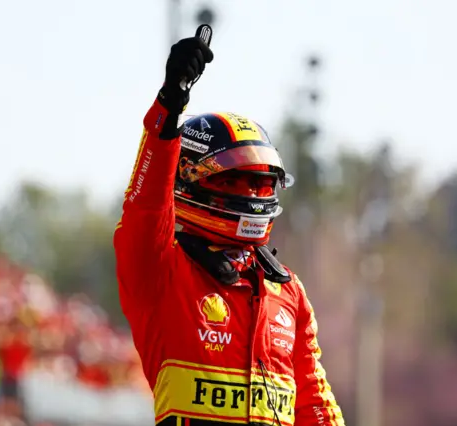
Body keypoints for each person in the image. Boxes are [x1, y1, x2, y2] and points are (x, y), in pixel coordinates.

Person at [114, 25, 345, 426]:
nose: (253, 194)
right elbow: (145, 208)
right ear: (189, 181)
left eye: (260, 182)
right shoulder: (160, 272)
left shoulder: (288, 291)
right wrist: (169, 106)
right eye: (234, 180)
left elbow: (315, 407)